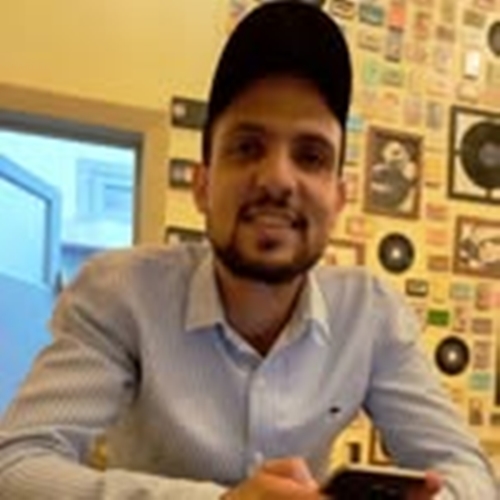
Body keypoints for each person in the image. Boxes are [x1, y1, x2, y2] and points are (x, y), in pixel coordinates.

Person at [0, 2, 496, 499]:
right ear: (202, 185)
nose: (278, 179)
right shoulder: (120, 294)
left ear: (337, 200)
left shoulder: (371, 315)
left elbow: (471, 474)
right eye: (247, 147)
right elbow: (15, 467)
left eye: (310, 156)